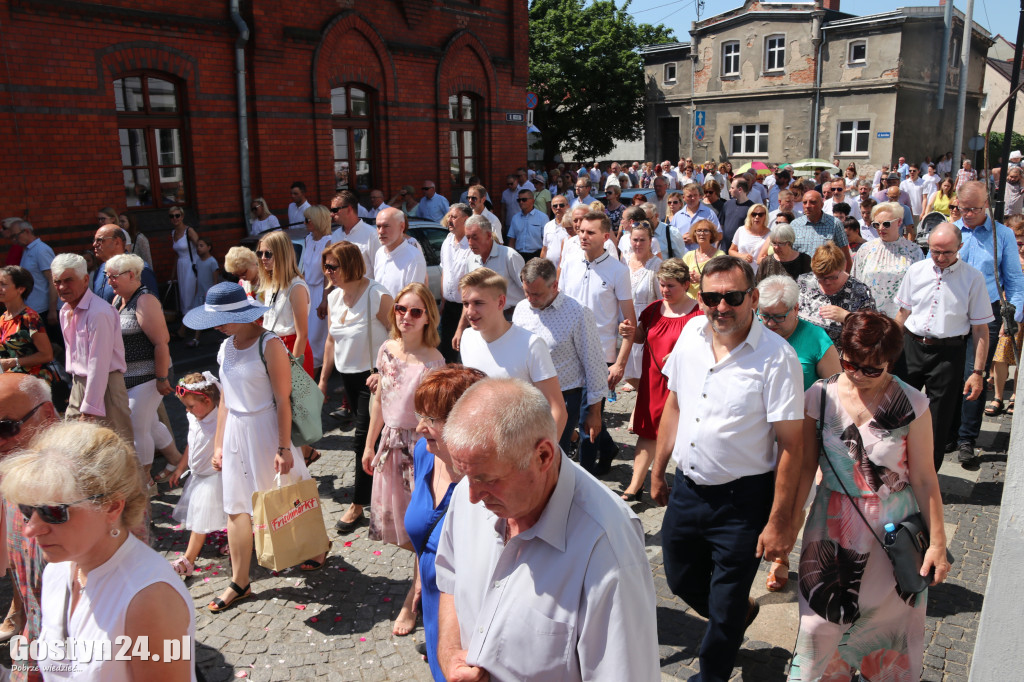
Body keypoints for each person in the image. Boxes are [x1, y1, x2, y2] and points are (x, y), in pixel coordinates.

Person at [434, 378, 660, 681]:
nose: (472, 495)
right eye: (466, 475)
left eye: (487, 479)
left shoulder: (607, 548)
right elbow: (450, 579)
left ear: (543, 456)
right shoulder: (470, 491)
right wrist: (449, 651)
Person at [651, 256, 804, 682]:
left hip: (742, 501)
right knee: (681, 579)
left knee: (724, 604)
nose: (722, 306)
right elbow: (675, 405)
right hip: (688, 489)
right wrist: (658, 468)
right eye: (712, 297)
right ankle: (742, 613)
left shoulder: (778, 358)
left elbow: (792, 445)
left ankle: (712, 674)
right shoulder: (689, 338)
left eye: (733, 297)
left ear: (752, 298)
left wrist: (780, 521)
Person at [790, 311, 950, 681]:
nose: (858, 374)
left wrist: (937, 544)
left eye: (871, 369)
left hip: (891, 536)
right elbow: (802, 467)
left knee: (885, 631)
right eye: (850, 363)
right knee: (819, 626)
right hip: (829, 527)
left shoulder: (912, 404)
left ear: (889, 361)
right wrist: (787, 521)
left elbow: (925, 478)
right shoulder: (820, 396)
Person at [1, 420, 196, 680]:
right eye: (27, 509)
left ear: (112, 507)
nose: (31, 529)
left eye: (54, 511)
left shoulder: (148, 600)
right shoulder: (58, 571)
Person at [183, 282, 319, 611]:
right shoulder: (225, 347)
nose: (216, 325)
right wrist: (218, 445)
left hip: (267, 429)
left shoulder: (269, 344)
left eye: (221, 318)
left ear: (243, 314)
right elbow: (227, 399)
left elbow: (284, 401)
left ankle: (315, 546)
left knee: (286, 495)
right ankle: (239, 581)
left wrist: (284, 448)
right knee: (236, 507)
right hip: (235, 434)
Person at [362, 282, 444, 636]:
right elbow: (380, 399)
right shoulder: (387, 349)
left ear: (428, 317)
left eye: (415, 311)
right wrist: (369, 445)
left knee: (419, 527)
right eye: (400, 309)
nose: (406, 317)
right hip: (389, 443)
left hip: (419, 450)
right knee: (403, 529)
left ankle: (414, 597)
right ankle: (426, 580)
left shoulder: (434, 360)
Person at [404, 365, 486, 682]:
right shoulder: (426, 454)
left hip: (470, 617)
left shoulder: (486, 485)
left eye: (432, 419)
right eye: (420, 415)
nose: (420, 428)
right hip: (433, 600)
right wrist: (418, 581)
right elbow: (423, 534)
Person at [894, 223, 994, 471]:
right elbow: (902, 314)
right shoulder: (916, 270)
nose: (939, 258)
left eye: (946, 253)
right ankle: (891, 471)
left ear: (960, 247)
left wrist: (978, 373)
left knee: (938, 422)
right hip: (911, 346)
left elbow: (981, 330)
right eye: (934, 251)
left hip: (949, 353)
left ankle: (927, 478)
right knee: (896, 412)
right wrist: (888, 352)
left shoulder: (973, 278)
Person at [319, 241, 393, 532]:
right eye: (325, 266)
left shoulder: (376, 294)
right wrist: (324, 380)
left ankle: (358, 505)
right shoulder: (335, 297)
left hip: (372, 377)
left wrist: (387, 371)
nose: (328, 272)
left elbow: (396, 334)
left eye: (332, 266)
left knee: (363, 439)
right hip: (346, 378)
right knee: (372, 439)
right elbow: (330, 341)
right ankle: (383, 492)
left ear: (350, 265)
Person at [619, 258, 702, 501]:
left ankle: (679, 485)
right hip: (652, 381)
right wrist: (630, 333)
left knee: (680, 434)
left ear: (686, 284)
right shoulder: (654, 309)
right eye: (662, 285)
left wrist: (681, 356)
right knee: (647, 433)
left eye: (671, 285)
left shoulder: (699, 313)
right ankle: (635, 487)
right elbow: (643, 337)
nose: (665, 290)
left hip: (681, 384)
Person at [559, 212, 636, 475]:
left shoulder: (618, 271)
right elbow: (559, 305)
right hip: (568, 353)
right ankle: (608, 447)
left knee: (587, 416)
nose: (582, 236)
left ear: (605, 237)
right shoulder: (569, 262)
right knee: (570, 416)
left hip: (601, 355)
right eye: (580, 231)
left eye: (590, 232)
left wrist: (620, 364)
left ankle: (586, 476)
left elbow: (630, 323)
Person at [953, 181, 1024, 464]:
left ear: (987, 206)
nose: (968, 214)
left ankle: (967, 439)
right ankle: (946, 432)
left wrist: (1013, 315)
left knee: (976, 373)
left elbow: (1015, 281)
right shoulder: (952, 231)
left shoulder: (1002, 235)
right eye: (962, 209)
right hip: (952, 311)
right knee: (949, 375)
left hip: (989, 312)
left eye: (974, 209)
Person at [513, 257, 606, 458]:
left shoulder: (578, 313)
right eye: (526, 292)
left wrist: (594, 411)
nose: (530, 299)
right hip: (528, 396)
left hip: (564, 397)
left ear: (554, 285)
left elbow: (594, 364)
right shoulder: (521, 309)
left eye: (536, 294)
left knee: (551, 456)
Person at [458, 267, 567, 435]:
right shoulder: (467, 338)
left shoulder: (531, 345)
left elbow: (557, 409)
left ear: (501, 302)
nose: (470, 312)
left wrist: (543, 457)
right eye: (466, 304)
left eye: (478, 303)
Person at [0, 374, 57, 681]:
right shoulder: (11, 475)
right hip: (34, 637)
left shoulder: (92, 488)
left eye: (6, 427)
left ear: (47, 415)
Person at [107, 253, 174, 485]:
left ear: (131, 275)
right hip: (129, 376)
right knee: (151, 422)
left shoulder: (145, 300)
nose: (109, 282)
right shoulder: (118, 300)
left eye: (114, 277)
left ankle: (144, 480)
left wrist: (162, 377)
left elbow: (161, 342)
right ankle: (176, 459)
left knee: (137, 426)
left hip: (150, 374)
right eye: (107, 277)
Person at [52, 253, 133, 443]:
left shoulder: (99, 312)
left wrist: (89, 408)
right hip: (79, 384)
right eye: (57, 282)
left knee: (117, 451)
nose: (62, 287)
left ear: (85, 279)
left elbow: (99, 363)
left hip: (106, 387)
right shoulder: (65, 311)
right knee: (77, 449)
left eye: (68, 280)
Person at [168, 372, 228, 576]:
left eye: (191, 406)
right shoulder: (195, 417)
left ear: (208, 400)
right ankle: (235, 542)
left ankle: (189, 560)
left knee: (209, 517)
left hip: (215, 478)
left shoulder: (220, 419)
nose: (188, 410)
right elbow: (191, 444)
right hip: (199, 476)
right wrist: (180, 467)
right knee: (218, 514)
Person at [757, 275, 840, 392]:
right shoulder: (753, 331)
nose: (770, 323)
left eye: (778, 317)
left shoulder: (817, 339)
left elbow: (836, 391)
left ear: (796, 308)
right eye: (765, 315)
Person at [256, 229, 315, 376]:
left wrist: (294, 370)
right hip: (273, 348)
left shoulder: (297, 287)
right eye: (260, 253)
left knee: (296, 399)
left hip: (293, 350)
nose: (263, 258)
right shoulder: (271, 284)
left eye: (268, 254)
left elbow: (302, 334)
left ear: (282, 254)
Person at [797, 242, 876, 350]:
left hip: (841, 359)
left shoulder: (860, 291)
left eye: (833, 277)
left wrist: (848, 317)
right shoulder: (804, 282)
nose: (827, 282)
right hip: (805, 351)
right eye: (820, 277)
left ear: (843, 267)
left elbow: (873, 330)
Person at [851, 201, 924, 318]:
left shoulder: (914, 251)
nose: (881, 228)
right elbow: (855, 283)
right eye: (876, 224)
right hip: (870, 318)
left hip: (902, 320)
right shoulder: (865, 250)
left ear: (899, 222)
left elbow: (920, 287)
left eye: (886, 224)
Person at [988, 217, 1024, 416]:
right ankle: (998, 396)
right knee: (1001, 355)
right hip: (1009, 313)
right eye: (1017, 242)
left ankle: (1016, 396)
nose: (1020, 246)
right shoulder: (1006, 258)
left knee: (1021, 359)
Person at [460, 214, 526, 317]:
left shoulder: (509, 256)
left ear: (488, 235)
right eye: (467, 238)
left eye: (474, 237)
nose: (470, 243)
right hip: (484, 317)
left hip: (511, 316)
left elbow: (527, 289)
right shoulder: (470, 260)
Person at [623, 222, 662, 391]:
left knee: (644, 373)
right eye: (635, 240)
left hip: (645, 321)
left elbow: (662, 300)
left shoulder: (656, 265)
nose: (637, 244)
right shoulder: (623, 261)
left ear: (650, 241)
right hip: (624, 319)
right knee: (627, 368)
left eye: (642, 240)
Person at [0, 266, 55, 385]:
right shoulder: (3, 318)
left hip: (32, 385)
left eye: (3, 284)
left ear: (20, 289)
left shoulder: (30, 317)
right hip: (10, 384)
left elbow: (47, 355)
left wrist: (13, 362)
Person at [7, 221, 57, 331]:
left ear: (27, 231)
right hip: (33, 309)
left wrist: (53, 310)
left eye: (16, 236)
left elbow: (53, 280)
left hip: (44, 310)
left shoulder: (41, 250)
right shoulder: (27, 250)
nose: (14, 240)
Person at [302, 205, 334, 372]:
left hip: (321, 291)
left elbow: (328, 275)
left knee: (317, 334)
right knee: (306, 332)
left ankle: (319, 370)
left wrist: (324, 299)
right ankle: (310, 367)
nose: (306, 223)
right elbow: (303, 267)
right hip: (307, 290)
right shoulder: (308, 239)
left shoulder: (328, 242)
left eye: (308, 220)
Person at [791, 190, 852, 271]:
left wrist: (843, 281)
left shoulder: (835, 224)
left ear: (822, 205)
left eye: (812, 202)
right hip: (800, 277)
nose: (807, 206)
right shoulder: (795, 225)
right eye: (805, 202)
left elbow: (845, 258)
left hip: (827, 278)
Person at [374, 207, 427, 298]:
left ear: (401, 226)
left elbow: (414, 298)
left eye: (386, 226)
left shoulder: (413, 258)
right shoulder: (379, 253)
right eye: (378, 226)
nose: (381, 231)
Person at [331, 190, 379, 272]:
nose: (331, 214)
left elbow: (379, 268)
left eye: (335, 210)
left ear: (349, 209)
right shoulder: (335, 235)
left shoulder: (372, 234)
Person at [169, 206, 200, 320]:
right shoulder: (173, 233)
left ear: (182, 216)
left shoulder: (189, 231)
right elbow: (177, 254)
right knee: (183, 294)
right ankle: (188, 321)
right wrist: (173, 274)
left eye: (177, 215)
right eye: (172, 216)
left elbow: (200, 247)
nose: (175, 218)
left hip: (191, 265)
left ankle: (193, 320)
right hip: (181, 266)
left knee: (190, 293)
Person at [682, 219, 725, 299]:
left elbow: (723, 280)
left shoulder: (720, 256)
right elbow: (680, 277)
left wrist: (702, 279)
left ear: (711, 234)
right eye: (698, 231)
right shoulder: (688, 256)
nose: (702, 233)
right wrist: (688, 277)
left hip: (710, 300)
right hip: (690, 300)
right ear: (694, 234)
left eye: (705, 231)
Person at [729, 204, 770, 274]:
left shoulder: (770, 234)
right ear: (749, 216)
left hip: (760, 273)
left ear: (765, 216)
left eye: (760, 215)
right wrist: (742, 256)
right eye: (754, 214)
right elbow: (731, 251)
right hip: (741, 271)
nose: (757, 217)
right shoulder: (741, 230)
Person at [507, 188, 546, 261]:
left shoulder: (543, 217)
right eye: (519, 200)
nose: (521, 202)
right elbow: (512, 240)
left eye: (524, 200)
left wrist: (543, 258)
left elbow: (546, 240)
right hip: (519, 256)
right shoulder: (515, 218)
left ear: (532, 201)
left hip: (536, 256)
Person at [720, 177, 755, 252]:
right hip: (724, 248)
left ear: (740, 189)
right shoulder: (727, 204)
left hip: (740, 251)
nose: (729, 190)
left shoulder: (752, 208)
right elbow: (721, 226)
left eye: (732, 188)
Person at [540, 194, 570, 268]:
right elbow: (544, 249)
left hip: (566, 268)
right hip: (549, 269)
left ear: (568, 206)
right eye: (555, 206)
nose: (558, 208)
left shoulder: (572, 226)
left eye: (561, 205)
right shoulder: (548, 225)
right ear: (551, 208)